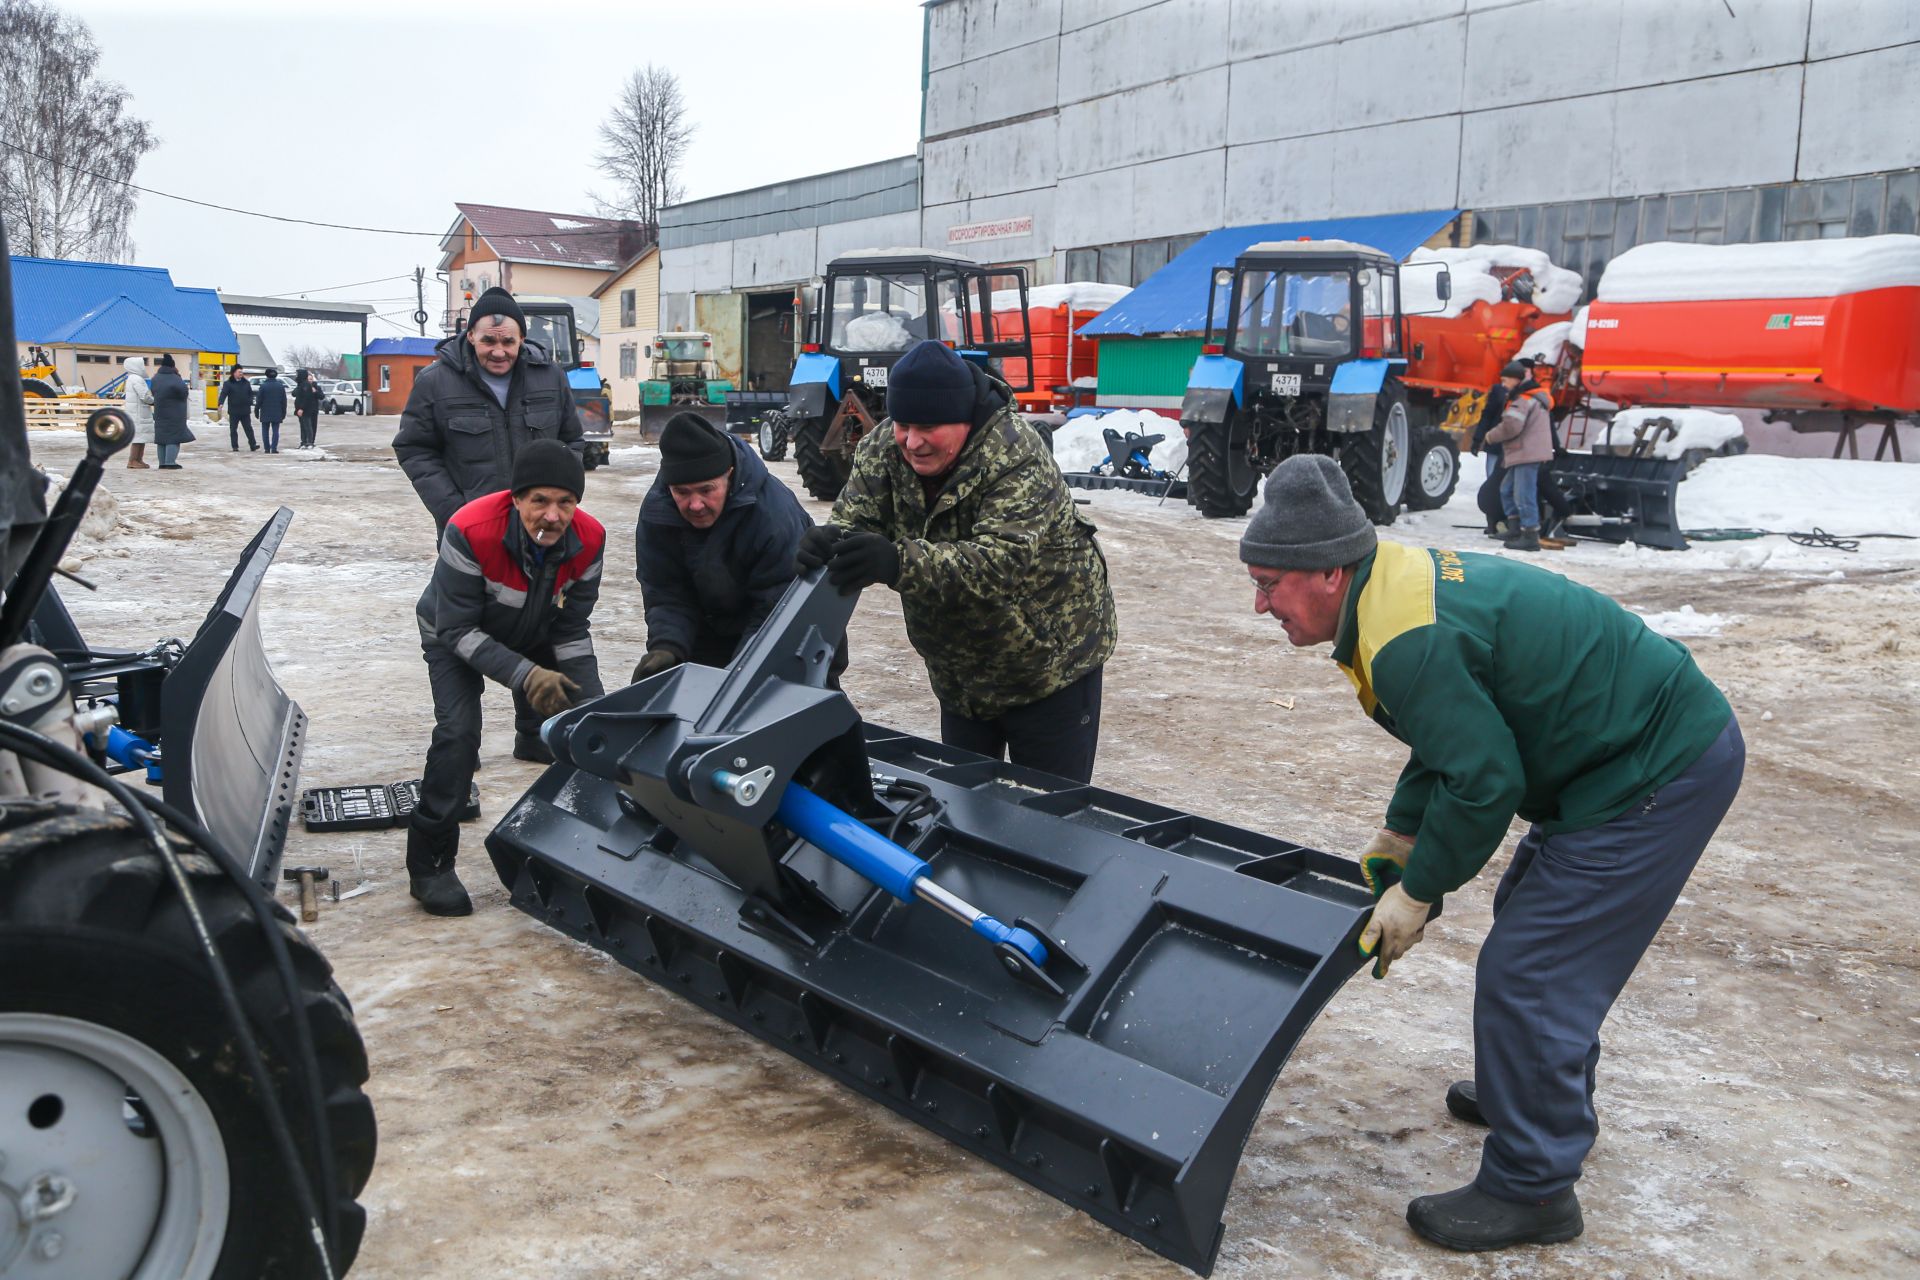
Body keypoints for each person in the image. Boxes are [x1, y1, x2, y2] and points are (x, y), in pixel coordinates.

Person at [1238, 455, 1743, 1253]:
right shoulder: (1384, 590)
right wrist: (1403, 834)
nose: (1259, 602)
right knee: (1529, 925)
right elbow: (1448, 733)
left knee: (1534, 969)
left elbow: (1483, 782)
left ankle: (1534, 1187)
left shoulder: (1407, 633)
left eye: (1269, 583)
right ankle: (1533, 1091)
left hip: (1652, 766)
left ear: (1329, 572)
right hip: (1604, 753)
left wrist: (1420, 890)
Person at [801, 339, 1117, 783]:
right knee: (966, 805)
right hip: (960, 672)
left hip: (1048, 667)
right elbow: (855, 520)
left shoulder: (1016, 455)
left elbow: (999, 564)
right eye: (903, 424)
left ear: (964, 420)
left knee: (1050, 816)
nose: (912, 441)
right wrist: (828, 543)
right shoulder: (883, 446)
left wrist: (895, 562)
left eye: (928, 427)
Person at [406, 439, 606, 916]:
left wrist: (594, 709)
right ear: (516, 499)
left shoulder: (591, 539)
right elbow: (456, 629)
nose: (552, 516)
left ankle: (535, 739)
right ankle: (430, 863)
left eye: (565, 502)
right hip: (453, 632)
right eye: (539, 500)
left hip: (535, 628)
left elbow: (572, 629)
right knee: (458, 734)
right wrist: (526, 675)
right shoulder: (470, 529)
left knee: (588, 722)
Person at [631, 411, 812, 681]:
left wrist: (737, 676)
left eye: (706, 490)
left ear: (728, 474)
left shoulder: (772, 515)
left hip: (791, 635)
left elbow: (775, 609)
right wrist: (668, 647)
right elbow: (666, 592)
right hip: (712, 629)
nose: (695, 505)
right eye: (682, 492)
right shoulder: (658, 512)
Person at [393, 287, 585, 536]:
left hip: (541, 527)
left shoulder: (551, 378)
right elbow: (415, 449)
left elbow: (572, 442)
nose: (498, 351)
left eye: (508, 341)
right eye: (488, 341)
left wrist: (557, 503)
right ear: (471, 335)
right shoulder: (435, 382)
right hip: (469, 530)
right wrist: (455, 511)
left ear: (522, 339)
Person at [1482, 361, 1553, 552]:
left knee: (1523, 494)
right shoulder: (1527, 397)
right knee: (1507, 489)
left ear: (1515, 379)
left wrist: (1489, 436)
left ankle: (1530, 535)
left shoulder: (1523, 400)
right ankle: (1514, 528)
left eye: (1505, 380)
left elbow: (1511, 426)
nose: (1503, 384)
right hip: (1525, 451)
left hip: (1527, 452)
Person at [1469, 363, 1519, 537]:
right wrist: (1478, 438)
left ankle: (1504, 521)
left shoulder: (1521, 396)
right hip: (1496, 445)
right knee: (1492, 483)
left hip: (1511, 447)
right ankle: (1492, 522)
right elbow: (1487, 415)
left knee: (1507, 485)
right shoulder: (1498, 391)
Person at [149, 354, 194, 470]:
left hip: (160, 412)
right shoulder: (176, 379)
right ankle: (170, 462)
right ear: (173, 366)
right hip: (175, 413)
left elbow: (153, 392)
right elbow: (184, 392)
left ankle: (162, 462)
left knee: (161, 439)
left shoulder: (155, 378)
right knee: (173, 438)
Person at [121, 356, 154, 469]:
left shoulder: (131, 378)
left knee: (141, 437)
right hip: (139, 413)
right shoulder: (137, 379)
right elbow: (144, 396)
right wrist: (153, 401)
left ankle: (139, 460)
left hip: (136, 412)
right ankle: (133, 460)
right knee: (139, 437)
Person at [219, 367, 257, 451]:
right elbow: (223, 393)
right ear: (234, 373)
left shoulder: (246, 383)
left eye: (241, 372)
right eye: (239, 372)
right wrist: (220, 403)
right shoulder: (228, 383)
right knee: (233, 429)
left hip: (245, 410)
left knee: (248, 428)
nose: (241, 373)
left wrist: (250, 401)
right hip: (234, 410)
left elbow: (250, 393)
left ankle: (253, 445)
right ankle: (235, 446)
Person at [256, 368, 288, 453]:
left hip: (265, 411)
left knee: (265, 430)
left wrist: (256, 410)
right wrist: (284, 412)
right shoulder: (280, 386)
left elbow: (259, 400)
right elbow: (284, 401)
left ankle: (267, 448)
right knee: (275, 430)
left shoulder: (263, 386)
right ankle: (274, 448)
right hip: (277, 411)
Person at [291, 369, 323, 449]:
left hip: (311, 409)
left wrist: (315, 392)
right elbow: (294, 394)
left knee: (311, 426)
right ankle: (304, 441)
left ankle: (310, 442)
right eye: (309, 379)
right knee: (304, 426)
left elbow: (320, 396)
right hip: (303, 409)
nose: (310, 381)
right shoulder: (301, 385)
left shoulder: (314, 387)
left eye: (311, 379)